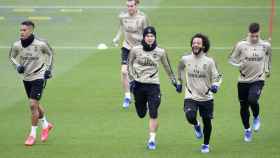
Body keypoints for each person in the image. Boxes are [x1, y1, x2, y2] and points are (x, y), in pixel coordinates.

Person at [128, 26, 177, 150]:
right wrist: (131, 80)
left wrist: (174, 81)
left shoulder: (160, 52)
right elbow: (129, 65)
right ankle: (144, 105)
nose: (150, 38)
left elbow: (167, 67)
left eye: (152, 36)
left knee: (153, 112)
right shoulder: (135, 50)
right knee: (141, 113)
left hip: (153, 85)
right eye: (147, 36)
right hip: (138, 85)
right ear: (144, 37)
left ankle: (152, 139)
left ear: (155, 37)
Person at [9, 20, 54, 146]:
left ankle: (32, 135)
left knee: (32, 105)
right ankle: (46, 125)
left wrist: (48, 70)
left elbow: (50, 54)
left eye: (24, 30)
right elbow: (11, 57)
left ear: (31, 30)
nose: (21, 32)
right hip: (26, 78)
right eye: (20, 30)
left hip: (39, 76)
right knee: (36, 104)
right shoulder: (17, 45)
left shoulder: (40, 44)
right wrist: (18, 66)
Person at [176, 33, 222, 153]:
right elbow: (180, 68)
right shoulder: (185, 58)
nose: (195, 45)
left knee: (207, 122)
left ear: (203, 46)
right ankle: (196, 124)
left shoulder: (210, 61)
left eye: (198, 43)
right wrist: (179, 82)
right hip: (190, 95)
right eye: (194, 43)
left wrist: (216, 85)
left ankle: (206, 144)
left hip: (206, 97)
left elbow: (218, 76)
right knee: (190, 116)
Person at [229, 22, 272, 142]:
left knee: (253, 99)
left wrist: (268, 70)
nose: (254, 38)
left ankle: (256, 116)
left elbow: (268, 57)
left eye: (256, 36)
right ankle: (247, 130)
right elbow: (231, 59)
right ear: (249, 33)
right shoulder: (241, 45)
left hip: (258, 78)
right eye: (252, 36)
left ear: (259, 33)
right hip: (243, 80)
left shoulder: (265, 45)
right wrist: (239, 64)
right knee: (243, 106)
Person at [113, 0, 149, 109]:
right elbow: (121, 28)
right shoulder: (122, 16)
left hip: (139, 49)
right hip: (127, 47)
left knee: (142, 75)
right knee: (124, 72)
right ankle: (127, 96)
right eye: (128, 6)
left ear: (136, 5)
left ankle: (146, 99)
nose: (130, 8)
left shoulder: (143, 18)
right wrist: (116, 38)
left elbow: (147, 33)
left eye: (132, 6)